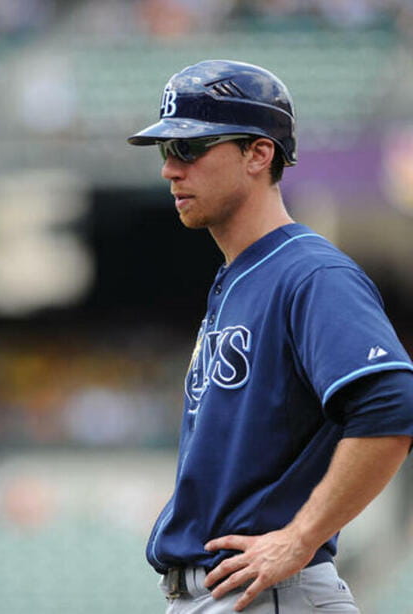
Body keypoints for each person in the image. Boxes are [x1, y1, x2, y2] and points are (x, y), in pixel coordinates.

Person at [127, 59, 413, 613]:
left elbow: (393, 404)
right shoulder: (238, 278)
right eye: (167, 151)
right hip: (229, 594)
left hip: (269, 596)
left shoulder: (309, 272)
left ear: (259, 153)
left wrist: (301, 536)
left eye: (190, 148)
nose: (170, 169)